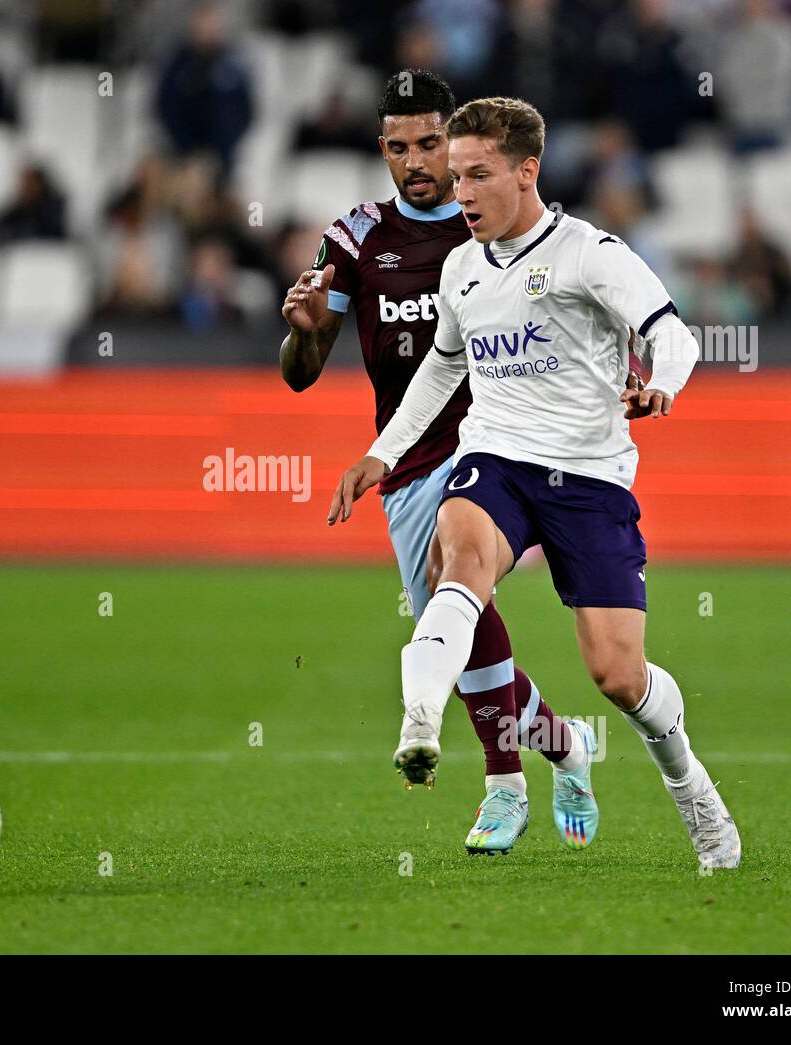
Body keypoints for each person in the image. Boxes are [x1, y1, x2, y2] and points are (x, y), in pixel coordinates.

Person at [327, 96, 741, 870]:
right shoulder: (461, 266)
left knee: (616, 674)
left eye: (479, 175)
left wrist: (663, 387)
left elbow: (671, 335)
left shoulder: (590, 252)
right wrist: (383, 451)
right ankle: (421, 717)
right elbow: (445, 363)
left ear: (528, 171)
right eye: (456, 176)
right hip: (497, 460)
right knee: (455, 563)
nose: (463, 194)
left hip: (588, 476)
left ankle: (691, 785)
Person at [282, 70, 599, 855]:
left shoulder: (487, 216)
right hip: (410, 456)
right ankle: (563, 744)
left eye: (431, 143)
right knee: (454, 635)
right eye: (400, 147)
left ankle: (504, 785)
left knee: (456, 611)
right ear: (382, 149)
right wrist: (305, 329)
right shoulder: (356, 237)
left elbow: (568, 288)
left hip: (499, 444)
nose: (418, 161)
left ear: (453, 138)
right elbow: (300, 370)